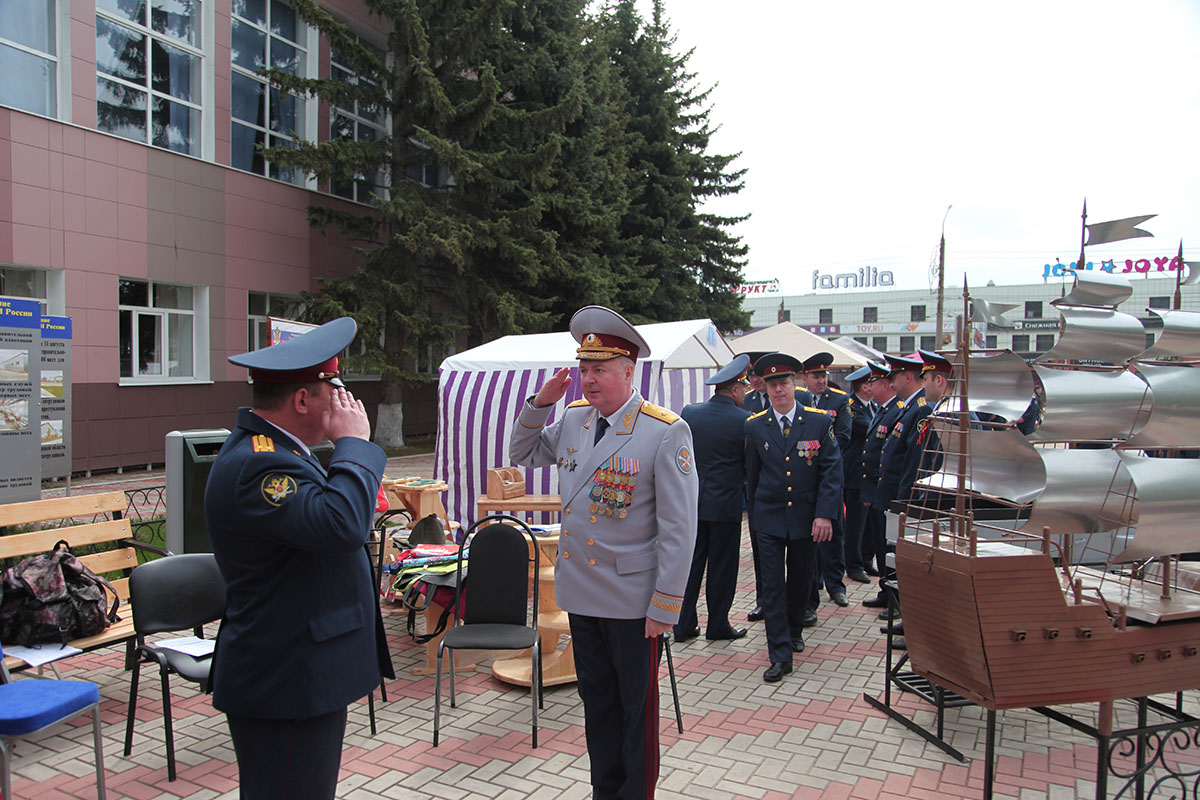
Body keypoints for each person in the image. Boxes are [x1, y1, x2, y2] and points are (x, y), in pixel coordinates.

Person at [509, 305, 698, 800]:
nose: (589, 380)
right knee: (598, 704)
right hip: (583, 594)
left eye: (601, 369)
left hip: (634, 601)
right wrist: (539, 403)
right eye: (584, 369)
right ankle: (605, 790)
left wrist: (666, 605)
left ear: (628, 371)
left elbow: (679, 529)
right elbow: (521, 455)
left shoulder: (664, 430)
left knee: (637, 710)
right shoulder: (572, 419)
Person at [205, 317, 394, 800]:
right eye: (333, 387)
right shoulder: (259, 464)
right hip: (285, 677)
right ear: (303, 399)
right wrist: (354, 445)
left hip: (298, 670)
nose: (342, 399)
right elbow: (341, 525)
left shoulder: (282, 451)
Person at [744, 353, 842, 682]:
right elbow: (752, 476)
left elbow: (831, 471)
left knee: (801, 581)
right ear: (765, 389)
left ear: (795, 383)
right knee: (772, 585)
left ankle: (795, 628)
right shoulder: (755, 425)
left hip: (806, 518)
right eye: (772, 385)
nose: (779, 390)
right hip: (769, 519)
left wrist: (825, 515)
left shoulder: (818, 422)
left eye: (784, 383)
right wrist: (755, 521)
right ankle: (780, 653)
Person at [675, 354, 752, 642]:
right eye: (743, 388)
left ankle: (683, 625)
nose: (745, 394)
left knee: (691, 565)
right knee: (722, 568)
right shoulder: (745, 420)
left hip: (693, 503)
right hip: (726, 506)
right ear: (734, 390)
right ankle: (717, 624)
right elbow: (749, 466)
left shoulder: (690, 413)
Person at [801, 352, 851, 614]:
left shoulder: (840, 400)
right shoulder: (800, 399)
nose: (821, 380)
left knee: (833, 532)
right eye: (816, 376)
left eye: (824, 376)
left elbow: (843, 436)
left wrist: (822, 458)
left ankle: (836, 585)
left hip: (829, 475)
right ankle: (815, 580)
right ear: (805, 378)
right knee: (810, 533)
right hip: (804, 478)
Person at [841, 364, 874, 584]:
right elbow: (870, 429)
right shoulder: (851, 407)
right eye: (873, 382)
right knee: (854, 522)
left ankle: (866, 560)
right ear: (864, 386)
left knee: (868, 522)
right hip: (854, 474)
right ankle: (852, 564)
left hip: (868, 474)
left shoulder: (873, 406)